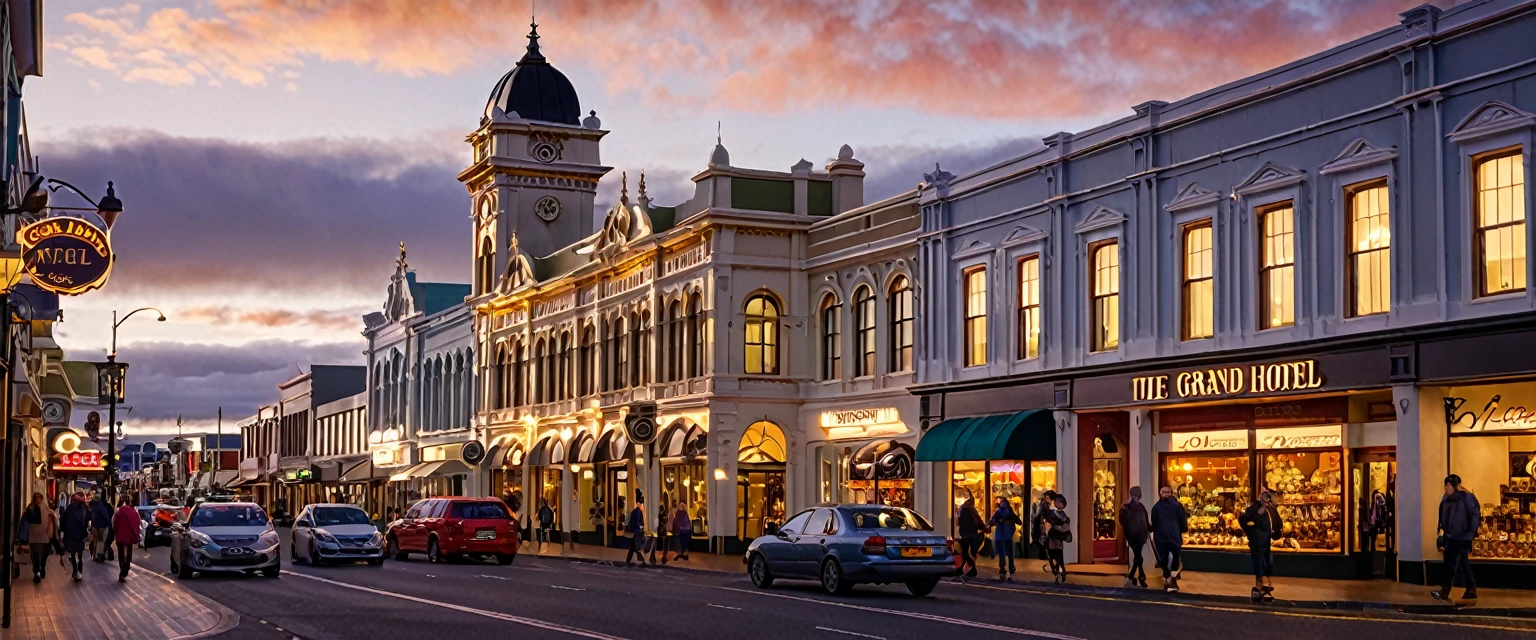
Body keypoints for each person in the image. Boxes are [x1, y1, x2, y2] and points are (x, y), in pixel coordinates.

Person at [1434, 474, 1480, 606]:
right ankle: (1470, 589)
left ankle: (1445, 591)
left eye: (1448, 485)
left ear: (1455, 486)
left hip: (1462, 536)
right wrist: (1441, 529)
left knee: (1452, 564)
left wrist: (1470, 533)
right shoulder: (1446, 498)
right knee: (1459, 563)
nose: (1446, 488)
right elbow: (1441, 513)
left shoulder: (1466, 498)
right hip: (1450, 536)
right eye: (1445, 485)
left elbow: (1474, 515)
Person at [1239, 489, 1283, 603]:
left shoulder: (1269, 508)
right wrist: (1253, 532)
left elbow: (1276, 523)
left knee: (1266, 562)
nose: (1267, 498)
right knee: (1259, 564)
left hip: (1265, 541)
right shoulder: (1255, 507)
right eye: (1265, 495)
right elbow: (1244, 520)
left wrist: (1275, 533)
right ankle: (1259, 588)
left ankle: (1263, 586)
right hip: (1258, 542)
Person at [1150, 485, 1187, 593]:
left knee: (1164, 559)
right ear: (1160, 493)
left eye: (1167, 492)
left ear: (1170, 493)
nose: (1165, 494)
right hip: (1171, 537)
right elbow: (1183, 523)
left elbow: (1154, 523)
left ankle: (1169, 578)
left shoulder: (1157, 507)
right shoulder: (1177, 506)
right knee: (1171, 558)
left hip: (1163, 537)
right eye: (1163, 492)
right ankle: (1170, 579)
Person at [1119, 486, 1151, 588]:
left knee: (1138, 557)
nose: (1136, 498)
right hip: (1133, 537)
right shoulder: (1126, 507)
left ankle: (1136, 576)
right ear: (1132, 496)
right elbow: (1123, 522)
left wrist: (1150, 529)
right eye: (1135, 496)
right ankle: (1135, 576)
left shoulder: (1141, 507)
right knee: (1138, 557)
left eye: (1138, 496)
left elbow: (1145, 521)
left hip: (1142, 536)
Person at [22, 493, 57, 583]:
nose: (39, 501)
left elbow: (26, 520)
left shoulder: (35, 508)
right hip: (39, 537)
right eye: (37, 499)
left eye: (40, 499)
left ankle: (40, 569)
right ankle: (38, 571)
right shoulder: (34, 508)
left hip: (39, 536)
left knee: (40, 554)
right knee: (37, 554)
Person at [61, 492, 92, 582]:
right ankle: (79, 572)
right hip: (80, 536)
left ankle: (76, 571)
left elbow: (63, 522)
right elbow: (89, 521)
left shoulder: (70, 509)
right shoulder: (85, 509)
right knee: (79, 554)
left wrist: (62, 531)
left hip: (71, 536)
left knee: (74, 555)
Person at [990, 497, 1022, 581]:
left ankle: (1003, 568)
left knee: (1002, 553)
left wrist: (998, 522)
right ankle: (1011, 567)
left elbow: (993, 521)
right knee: (1010, 552)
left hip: (1001, 535)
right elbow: (1019, 521)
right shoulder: (1010, 512)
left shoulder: (998, 511)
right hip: (1008, 535)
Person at [112, 497, 142, 582]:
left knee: (121, 554)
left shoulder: (119, 511)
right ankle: (125, 570)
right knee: (128, 554)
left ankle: (122, 569)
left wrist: (115, 533)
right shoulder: (133, 512)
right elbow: (138, 523)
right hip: (128, 537)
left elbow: (114, 522)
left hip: (120, 536)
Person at [1043, 495, 1072, 582]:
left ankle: (1061, 571)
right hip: (1052, 537)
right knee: (1051, 556)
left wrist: (1058, 528)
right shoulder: (1051, 513)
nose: (1058, 503)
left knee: (1059, 556)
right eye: (1057, 501)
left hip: (1058, 538)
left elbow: (1065, 527)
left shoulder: (1064, 516)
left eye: (1060, 502)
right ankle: (1056, 572)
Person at [955, 497, 985, 581]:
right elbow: (979, 521)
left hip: (965, 535)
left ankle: (969, 570)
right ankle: (964, 570)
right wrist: (983, 527)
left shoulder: (962, 509)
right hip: (972, 535)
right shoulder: (972, 510)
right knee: (969, 554)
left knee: (966, 554)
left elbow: (959, 522)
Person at [1031, 491, 1055, 564]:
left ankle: (1043, 555)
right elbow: (1043, 517)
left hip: (1039, 526)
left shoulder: (1041, 504)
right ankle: (1044, 555)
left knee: (1042, 542)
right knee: (1043, 541)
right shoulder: (1045, 505)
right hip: (1041, 526)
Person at [89, 492, 114, 563]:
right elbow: (106, 516)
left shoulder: (92, 506)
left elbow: (90, 516)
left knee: (94, 540)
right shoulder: (104, 506)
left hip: (94, 526)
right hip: (102, 526)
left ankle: (94, 555)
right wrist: (107, 524)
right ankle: (99, 555)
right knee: (101, 540)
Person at [625, 495, 647, 566]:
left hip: (635, 531)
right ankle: (641, 561)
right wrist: (642, 527)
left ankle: (628, 561)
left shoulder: (636, 511)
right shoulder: (639, 512)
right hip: (637, 532)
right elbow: (638, 522)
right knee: (636, 547)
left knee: (633, 547)